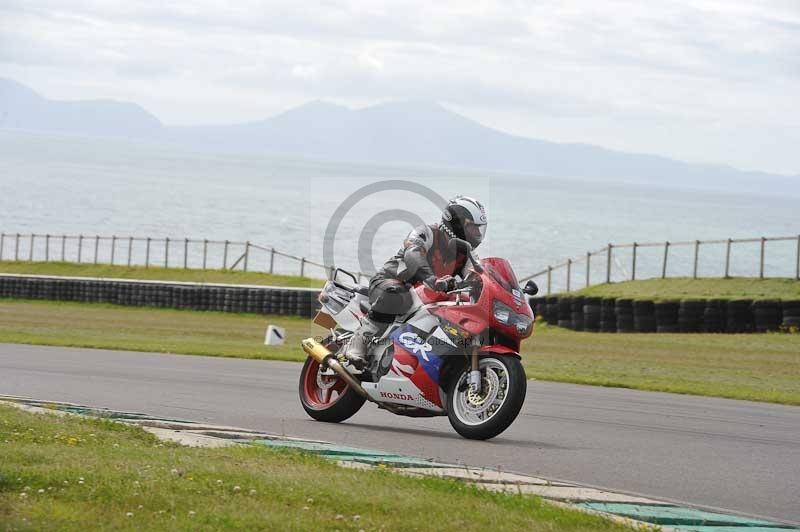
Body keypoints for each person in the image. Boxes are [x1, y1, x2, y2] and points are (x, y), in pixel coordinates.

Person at [345, 195, 488, 364]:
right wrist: (432, 279)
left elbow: (479, 275)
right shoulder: (426, 233)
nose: (477, 234)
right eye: (472, 228)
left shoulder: (465, 254)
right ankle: (359, 340)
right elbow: (413, 254)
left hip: (424, 298)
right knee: (398, 294)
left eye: (480, 229)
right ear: (456, 223)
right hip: (389, 283)